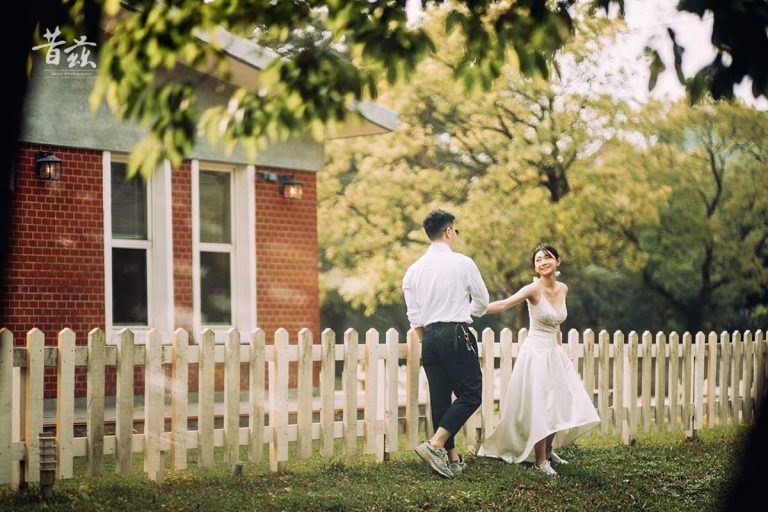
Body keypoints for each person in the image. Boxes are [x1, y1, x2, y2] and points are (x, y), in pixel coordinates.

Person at [477, 243, 599, 476]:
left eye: (548, 257)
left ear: (558, 262)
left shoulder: (563, 288)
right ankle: (540, 461)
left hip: (553, 353)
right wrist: (474, 310)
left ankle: (549, 450)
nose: (543, 262)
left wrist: (561, 351)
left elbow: (556, 324)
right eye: (538, 260)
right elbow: (504, 304)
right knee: (542, 405)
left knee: (558, 403)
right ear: (535, 267)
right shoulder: (533, 289)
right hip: (535, 353)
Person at [403, 209, 489, 478]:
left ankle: (451, 458)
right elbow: (483, 302)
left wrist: (426, 338)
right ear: (449, 231)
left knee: (440, 399)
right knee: (471, 394)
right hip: (456, 332)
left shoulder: (413, 270)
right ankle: (435, 444)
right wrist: (465, 312)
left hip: (429, 337)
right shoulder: (462, 263)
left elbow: (413, 315)